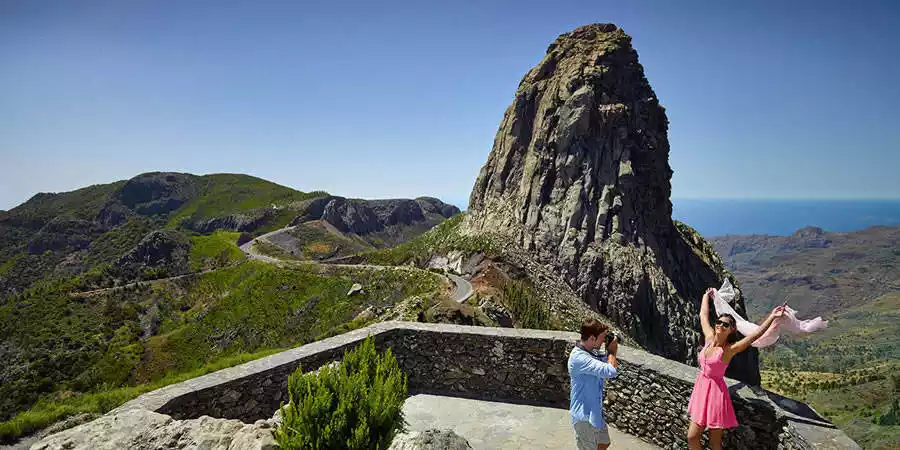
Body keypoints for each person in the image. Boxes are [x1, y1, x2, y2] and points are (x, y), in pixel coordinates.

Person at [687, 287, 785, 450]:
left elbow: (754, 335)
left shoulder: (728, 350)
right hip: (701, 390)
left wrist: (772, 317)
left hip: (715, 395)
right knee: (692, 436)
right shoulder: (709, 338)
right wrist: (706, 295)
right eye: (719, 322)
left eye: (725, 324)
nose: (720, 325)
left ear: (732, 329)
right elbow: (703, 315)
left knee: (715, 444)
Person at [568, 318, 619, 450]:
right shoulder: (579, 358)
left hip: (594, 413)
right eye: (602, 338)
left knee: (604, 443)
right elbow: (610, 371)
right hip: (583, 417)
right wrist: (612, 352)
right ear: (592, 338)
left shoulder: (590, 353)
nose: (603, 341)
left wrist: (608, 350)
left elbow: (603, 361)